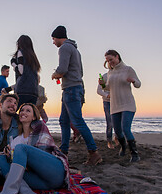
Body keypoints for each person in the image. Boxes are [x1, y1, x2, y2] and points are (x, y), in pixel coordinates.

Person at [0, 103, 70, 194]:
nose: (23, 112)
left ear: (34, 117)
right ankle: (28, 192)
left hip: (54, 173)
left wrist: (20, 156)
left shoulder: (39, 127)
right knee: (1, 158)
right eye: (21, 110)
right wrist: (8, 156)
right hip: (41, 182)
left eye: (28, 111)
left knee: (21, 148)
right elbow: (12, 162)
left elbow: (45, 152)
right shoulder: (16, 140)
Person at [50, 25, 102, 165]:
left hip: (71, 89)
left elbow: (62, 69)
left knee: (78, 121)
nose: (53, 42)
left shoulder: (64, 48)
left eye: (53, 39)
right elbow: (81, 72)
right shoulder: (75, 50)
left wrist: (55, 74)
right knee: (64, 121)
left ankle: (93, 152)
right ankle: (64, 152)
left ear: (58, 37)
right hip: (74, 87)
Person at [101, 50, 141, 162]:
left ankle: (134, 153)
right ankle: (123, 147)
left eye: (111, 59)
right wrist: (103, 84)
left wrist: (133, 81)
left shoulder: (128, 69)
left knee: (125, 128)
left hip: (128, 104)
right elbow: (108, 87)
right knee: (118, 131)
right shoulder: (110, 73)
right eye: (107, 61)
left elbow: (138, 84)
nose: (110, 62)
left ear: (117, 56)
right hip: (114, 105)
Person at [10, 35, 41, 108]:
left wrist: (13, 64)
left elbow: (21, 71)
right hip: (34, 91)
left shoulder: (20, 52)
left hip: (22, 90)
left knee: (14, 113)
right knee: (29, 115)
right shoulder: (33, 57)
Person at [97, 62, 117, 149]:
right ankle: (109, 141)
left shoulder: (118, 76)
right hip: (107, 101)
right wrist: (107, 95)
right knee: (110, 122)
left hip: (118, 101)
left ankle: (117, 137)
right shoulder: (105, 76)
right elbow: (99, 90)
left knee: (118, 121)